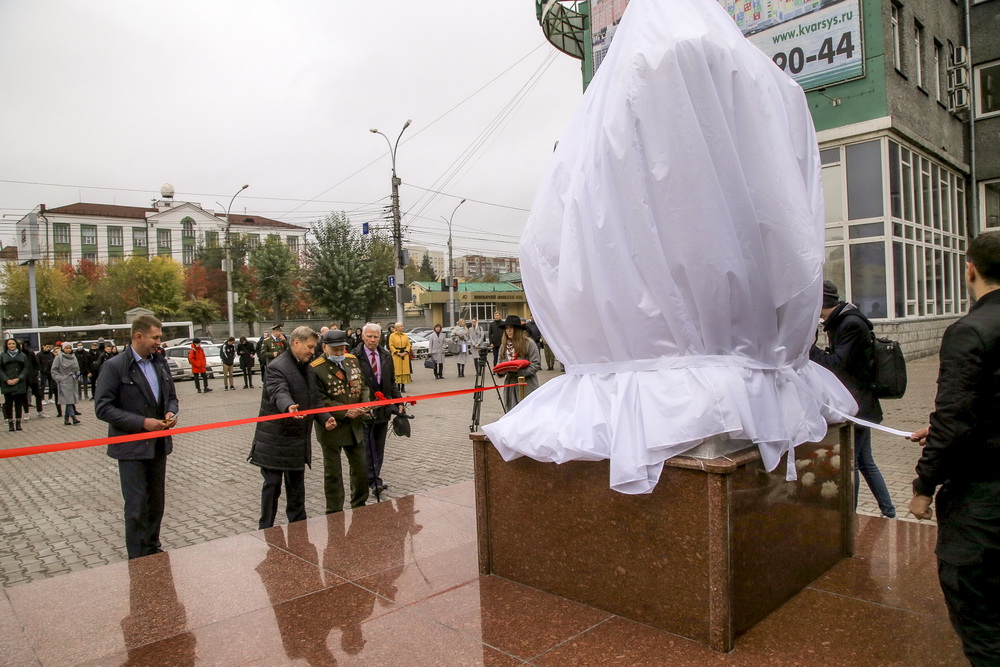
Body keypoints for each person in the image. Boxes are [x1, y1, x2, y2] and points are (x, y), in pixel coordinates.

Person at [907, 232, 1000, 664]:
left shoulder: (969, 331)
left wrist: (924, 485)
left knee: (982, 624)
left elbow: (954, 418)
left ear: (970, 269)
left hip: (983, 504)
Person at [810, 280, 897, 519]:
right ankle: (888, 511)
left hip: (858, 405)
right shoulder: (844, 321)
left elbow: (838, 365)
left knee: (853, 464)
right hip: (860, 402)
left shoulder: (850, 324)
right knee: (865, 460)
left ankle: (851, 516)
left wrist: (810, 349)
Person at [94, 315, 179, 559]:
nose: (159, 342)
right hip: (131, 448)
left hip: (158, 446)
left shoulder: (160, 363)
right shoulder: (115, 366)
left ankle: (153, 549)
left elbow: (171, 396)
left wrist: (171, 411)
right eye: (156, 337)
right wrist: (142, 423)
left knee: (156, 504)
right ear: (138, 336)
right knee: (136, 506)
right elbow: (103, 408)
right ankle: (138, 558)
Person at [247, 326, 335, 530]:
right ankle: (266, 529)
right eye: (310, 347)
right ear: (297, 343)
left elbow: (314, 399)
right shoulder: (277, 366)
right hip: (274, 440)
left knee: (296, 489)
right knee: (272, 487)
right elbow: (278, 391)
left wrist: (325, 418)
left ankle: (298, 529)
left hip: (297, 439)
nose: (313, 352)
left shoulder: (307, 366)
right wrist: (288, 407)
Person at [313, 329, 370, 512]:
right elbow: (319, 399)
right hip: (333, 426)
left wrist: (365, 403)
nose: (339, 353)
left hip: (355, 425)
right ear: (324, 347)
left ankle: (360, 504)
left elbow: (363, 385)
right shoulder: (316, 368)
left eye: (342, 349)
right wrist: (345, 411)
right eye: (335, 350)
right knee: (333, 473)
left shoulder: (351, 360)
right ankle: (334, 511)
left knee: (361, 467)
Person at [354, 322, 402, 493]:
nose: (372, 340)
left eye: (375, 337)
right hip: (365, 411)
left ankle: (375, 476)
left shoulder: (386, 355)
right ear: (362, 336)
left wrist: (399, 403)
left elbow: (391, 382)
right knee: (368, 448)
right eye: (369, 336)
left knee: (379, 446)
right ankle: (372, 479)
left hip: (383, 409)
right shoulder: (354, 357)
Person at [496, 315, 541, 409]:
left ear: (518, 329)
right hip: (510, 386)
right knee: (512, 414)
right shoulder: (503, 346)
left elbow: (536, 364)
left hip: (527, 384)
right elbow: (499, 365)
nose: (508, 330)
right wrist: (500, 372)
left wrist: (519, 372)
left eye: (511, 328)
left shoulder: (529, 343)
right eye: (506, 328)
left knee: (527, 413)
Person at [0, 338, 29, 431]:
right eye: (9, 344)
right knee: (8, 403)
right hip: (7, 383)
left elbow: (25, 368)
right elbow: (0, 369)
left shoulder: (22, 355)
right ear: (7, 346)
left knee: (18, 403)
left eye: (13, 344)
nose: (11, 345)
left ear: (16, 345)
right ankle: (10, 423)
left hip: (19, 382)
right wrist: (6, 380)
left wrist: (18, 378)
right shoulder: (2, 356)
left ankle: (18, 422)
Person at [51, 342, 82, 426]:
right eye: (66, 348)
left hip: (72, 380)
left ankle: (66, 419)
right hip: (64, 380)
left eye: (69, 348)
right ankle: (73, 417)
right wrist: (60, 379)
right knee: (68, 400)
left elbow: (77, 368)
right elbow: (54, 370)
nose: (68, 350)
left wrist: (77, 375)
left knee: (70, 399)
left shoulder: (73, 356)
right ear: (63, 349)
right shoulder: (58, 358)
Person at [387, 323, 411, 394]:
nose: (402, 327)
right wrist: (397, 352)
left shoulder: (405, 336)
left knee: (404, 370)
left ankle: (403, 386)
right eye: (401, 326)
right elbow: (391, 345)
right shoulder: (392, 336)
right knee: (397, 370)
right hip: (396, 355)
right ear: (397, 328)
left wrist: (406, 352)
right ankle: (397, 386)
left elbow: (408, 345)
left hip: (404, 355)